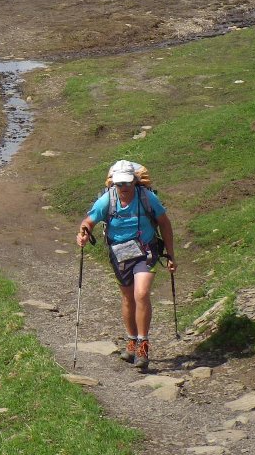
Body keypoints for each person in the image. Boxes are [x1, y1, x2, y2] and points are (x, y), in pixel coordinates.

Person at [76, 159, 175, 372]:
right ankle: (131, 342)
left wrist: (171, 255)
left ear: (135, 182)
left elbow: (165, 223)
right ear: (113, 183)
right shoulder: (107, 200)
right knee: (128, 298)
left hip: (146, 250)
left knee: (141, 294)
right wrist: (83, 233)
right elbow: (88, 221)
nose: (124, 188)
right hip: (119, 253)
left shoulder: (148, 198)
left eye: (128, 183)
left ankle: (143, 346)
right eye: (120, 184)